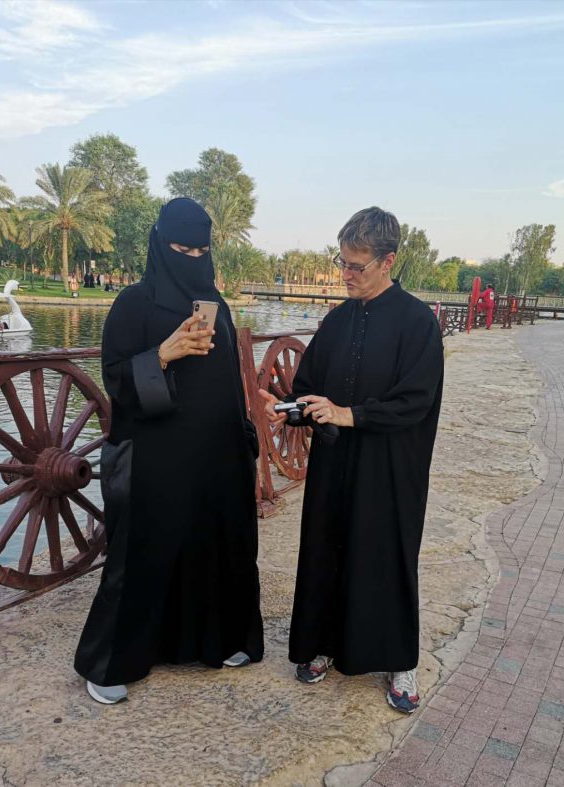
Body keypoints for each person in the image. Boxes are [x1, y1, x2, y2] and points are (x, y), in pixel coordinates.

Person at [75, 198, 263, 704]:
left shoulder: (216, 307)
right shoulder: (133, 304)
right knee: (146, 548)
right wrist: (163, 353)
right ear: (161, 244)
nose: (193, 257)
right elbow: (115, 377)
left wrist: (242, 438)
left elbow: (227, 383)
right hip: (156, 452)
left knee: (215, 542)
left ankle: (214, 641)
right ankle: (112, 660)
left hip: (215, 453)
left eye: (202, 249)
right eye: (183, 248)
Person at [259, 207, 444, 714]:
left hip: (390, 467)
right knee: (326, 548)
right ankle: (320, 644)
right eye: (341, 262)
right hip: (335, 465)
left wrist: (346, 413)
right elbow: (309, 384)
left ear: (388, 261)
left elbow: (415, 401)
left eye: (356, 266)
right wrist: (295, 411)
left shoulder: (416, 323)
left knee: (387, 555)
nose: (344, 275)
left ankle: (398, 658)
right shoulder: (337, 319)